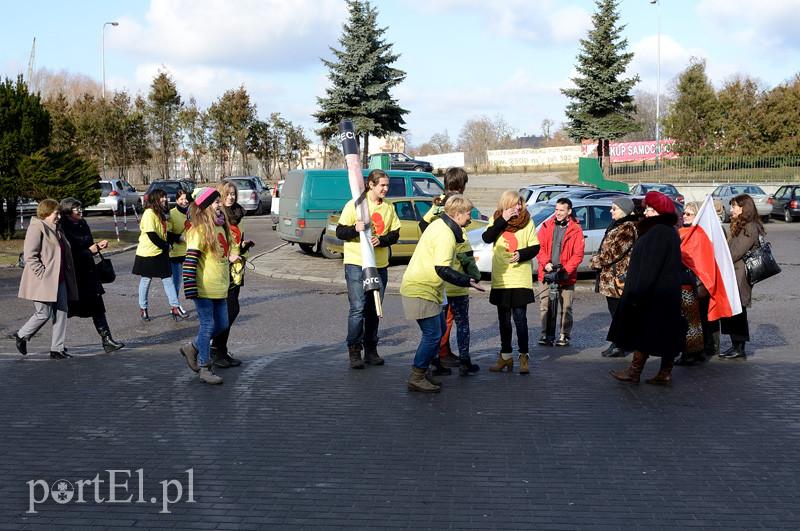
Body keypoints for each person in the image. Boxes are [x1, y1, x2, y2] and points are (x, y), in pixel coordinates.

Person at [400, 195, 484, 393]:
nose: (469, 218)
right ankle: (417, 376)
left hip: (429, 289)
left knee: (438, 329)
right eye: (468, 214)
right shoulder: (445, 234)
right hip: (421, 288)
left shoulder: (439, 225)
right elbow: (442, 269)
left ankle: (424, 372)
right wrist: (467, 281)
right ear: (457, 214)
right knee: (432, 334)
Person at [608, 191, 684, 385]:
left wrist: (638, 292)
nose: (646, 212)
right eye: (647, 208)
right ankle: (665, 372)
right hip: (667, 293)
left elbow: (650, 266)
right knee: (666, 332)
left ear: (659, 212)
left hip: (653, 293)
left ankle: (635, 372)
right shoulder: (669, 231)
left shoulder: (657, 232)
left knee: (644, 331)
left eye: (650, 209)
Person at [336, 169, 401, 369]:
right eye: (382, 185)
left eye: (387, 185)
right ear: (371, 185)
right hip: (357, 263)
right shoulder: (355, 204)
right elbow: (340, 232)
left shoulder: (389, 207)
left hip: (379, 265)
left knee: (374, 309)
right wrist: (354, 230)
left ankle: (371, 350)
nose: (386, 189)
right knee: (358, 308)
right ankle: (354, 350)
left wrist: (381, 240)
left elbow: (395, 233)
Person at [179, 187, 240, 385]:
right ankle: (205, 367)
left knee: (222, 324)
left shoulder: (221, 226)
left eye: (219, 201)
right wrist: (190, 288)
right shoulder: (199, 230)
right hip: (203, 287)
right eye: (216, 202)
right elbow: (190, 261)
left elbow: (222, 254)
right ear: (205, 207)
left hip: (220, 286)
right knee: (208, 325)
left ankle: (192, 347)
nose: (220, 204)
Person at [419, 167, 472, 372]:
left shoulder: (439, 201)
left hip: (438, 271)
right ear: (461, 184)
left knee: (442, 320)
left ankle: (441, 355)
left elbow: (423, 225)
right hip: (451, 270)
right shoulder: (455, 203)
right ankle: (447, 356)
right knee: (453, 320)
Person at [482, 190, 540, 374]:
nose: (519, 207)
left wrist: (521, 254)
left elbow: (535, 247)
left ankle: (524, 356)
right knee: (504, 321)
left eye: (520, 203)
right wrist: (503, 220)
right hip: (502, 278)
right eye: (516, 203)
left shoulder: (527, 221)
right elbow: (487, 238)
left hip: (520, 278)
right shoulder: (496, 219)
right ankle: (505, 357)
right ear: (506, 204)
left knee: (520, 319)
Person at [14, 199, 78, 359]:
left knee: (62, 312)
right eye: (56, 213)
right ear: (46, 213)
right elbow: (30, 256)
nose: (59, 217)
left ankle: (57, 349)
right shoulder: (36, 228)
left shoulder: (57, 229)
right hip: (42, 280)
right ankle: (21, 335)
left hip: (59, 279)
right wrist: (42, 274)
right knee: (43, 313)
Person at [59, 198, 124, 353]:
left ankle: (107, 340)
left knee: (97, 307)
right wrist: (89, 251)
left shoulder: (83, 224)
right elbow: (68, 254)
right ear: (67, 211)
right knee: (64, 311)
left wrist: (97, 247)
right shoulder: (62, 228)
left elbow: (89, 245)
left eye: (80, 207)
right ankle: (56, 343)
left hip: (89, 272)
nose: (80, 211)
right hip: (74, 275)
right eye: (76, 209)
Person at [210, 181, 254, 368]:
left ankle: (221, 350)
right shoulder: (216, 216)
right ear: (220, 196)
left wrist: (243, 246)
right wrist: (228, 256)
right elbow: (214, 244)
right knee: (230, 310)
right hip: (222, 268)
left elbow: (236, 241)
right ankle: (211, 347)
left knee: (230, 310)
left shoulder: (239, 215)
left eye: (233, 194)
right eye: (227, 194)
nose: (230, 197)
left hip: (237, 268)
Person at [590, 197, 638, 358]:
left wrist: (595, 261)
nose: (611, 211)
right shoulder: (616, 225)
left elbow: (614, 252)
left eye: (614, 208)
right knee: (615, 313)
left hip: (618, 280)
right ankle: (618, 342)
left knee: (620, 314)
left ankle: (621, 344)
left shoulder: (627, 228)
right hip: (610, 279)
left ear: (624, 211)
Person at [719, 194, 764, 360]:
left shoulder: (749, 227)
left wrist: (720, 258)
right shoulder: (740, 224)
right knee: (733, 309)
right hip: (733, 272)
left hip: (740, 274)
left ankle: (739, 347)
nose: (731, 209)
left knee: (738, 310)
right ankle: (735, 345)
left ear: (744, 208)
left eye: (734, 206)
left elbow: (736, 252)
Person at [536, 197, 585, 346]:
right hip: (547, 273)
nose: (557, 213)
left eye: (561, 210)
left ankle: (564, 335)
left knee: (566, 307)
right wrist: (546, 263)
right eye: (556, 209)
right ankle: (545, 334)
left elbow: (578, 254)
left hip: (566, 275)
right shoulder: (546, 225)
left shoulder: (576, 229)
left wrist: (565, 270)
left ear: (569, 211)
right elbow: (539, 247)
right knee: (545, 306)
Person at [133, 189, 188, 322]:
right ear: (155, 199)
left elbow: (165, 233)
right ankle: (143, 308)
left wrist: (175, 239)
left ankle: (175, 307)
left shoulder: (160, 214)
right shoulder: (149, 213)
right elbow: (152, 235)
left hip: (160, 252)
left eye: (165, 197)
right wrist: (166, 246)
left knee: (167, 279)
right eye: (162, 197)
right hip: (147, 253)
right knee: (146, 279)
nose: (164, 199)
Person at [675, 201, 711, 366]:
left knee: (691, 321)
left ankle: (691, 353)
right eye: (684, 213)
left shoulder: (698, 234)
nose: (684, 216)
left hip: (693, 282)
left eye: (689, 214)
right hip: (683, 280)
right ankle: (694, 351)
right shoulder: (681, 231)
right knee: (691, 320)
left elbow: (699, 260)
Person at [167, 188, 191, 299]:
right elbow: (167, 233)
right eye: (181, 199)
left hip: (190, 252)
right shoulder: (172, 213)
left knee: (192, 280)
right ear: (176, 200)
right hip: (175, 253)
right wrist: (179, 238)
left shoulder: (192, 213)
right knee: (176, 282)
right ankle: (175, 304)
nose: (184, 201)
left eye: (186, 199)